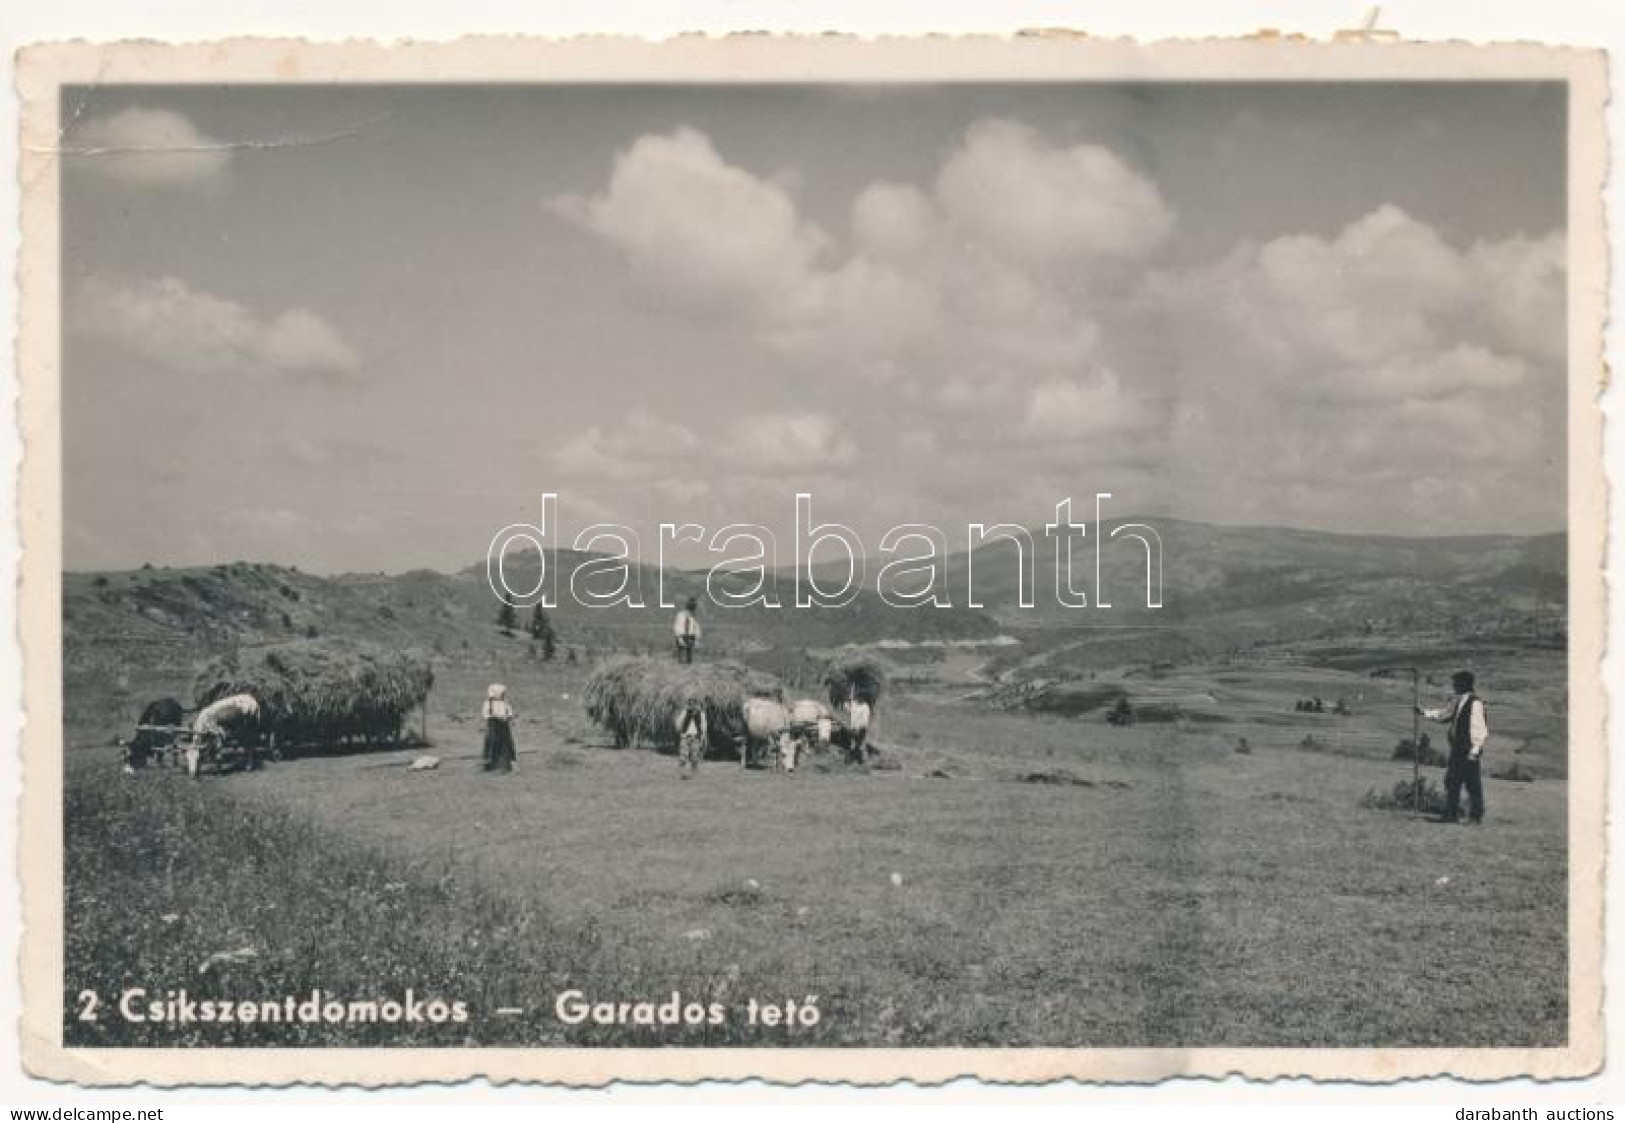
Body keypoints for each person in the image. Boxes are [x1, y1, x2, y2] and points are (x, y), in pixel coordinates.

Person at [1418, 670, 1489, 824]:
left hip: (1468, 750)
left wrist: (1474, 751)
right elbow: (1445, 715)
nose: (1454, 685)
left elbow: (1479, 729)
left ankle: (1475, 816)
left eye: (1456, 683)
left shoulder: (1475, 703)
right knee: (1452, 781)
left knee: (1472, 784)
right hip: (1457, 749)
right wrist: (1424, 713)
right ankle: (1451, 814)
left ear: (1464, 684)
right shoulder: (1459, 701)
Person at [188, 693, 261, 779]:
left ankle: (248, 762)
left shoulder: (246, 704)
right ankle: (195, 767)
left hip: (240, 710)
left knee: (246, 738)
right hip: (219, 719)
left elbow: (215, 727)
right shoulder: (204, 720)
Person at [483, 684, 517, 773]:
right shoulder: (488, 703)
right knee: (492, 742)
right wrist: (495, 717)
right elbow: (487, 715)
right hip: (493, 725)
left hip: (504, 726)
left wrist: (508, 717)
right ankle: (489, 764)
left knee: (507, 744)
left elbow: (510, 713)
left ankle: (508, 764)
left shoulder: (505, 703)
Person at [675, 696, 706, 779]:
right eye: (690, 704)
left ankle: (694, 774)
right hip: (685, 737)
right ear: (688, 705)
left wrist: (702, 736)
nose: (692, 706)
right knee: (683, 756)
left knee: (694, 757)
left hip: (696, 737)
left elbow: (703, 726)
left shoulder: (701, 714)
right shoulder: (684, 712)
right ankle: (681, 774)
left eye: (694, 704)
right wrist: (681, 732)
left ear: (696, 705)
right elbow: (678, 722)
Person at [843, 695, 872, 765]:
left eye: (860, 698)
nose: (858, 699)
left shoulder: (865, 708)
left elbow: (865, 721)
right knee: (853, 745)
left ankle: (851, 761)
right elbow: (847, 710)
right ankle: (860, 761)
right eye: (857, 698)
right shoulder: (854, 704)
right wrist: (847, 701)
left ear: (863, 699)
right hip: (853, 728)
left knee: (857, 745)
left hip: (861, 729)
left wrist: (858, 729)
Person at [673, 596, 702, 664]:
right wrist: (680, 638)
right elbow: (677, 627)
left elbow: (696, 628)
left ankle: (686, 662)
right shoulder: (681, 615)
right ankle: (682, 661)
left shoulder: (693, 617)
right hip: (683, 636)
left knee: (688, 655)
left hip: (690, 637)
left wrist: (696, 639)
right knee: (683, 654)